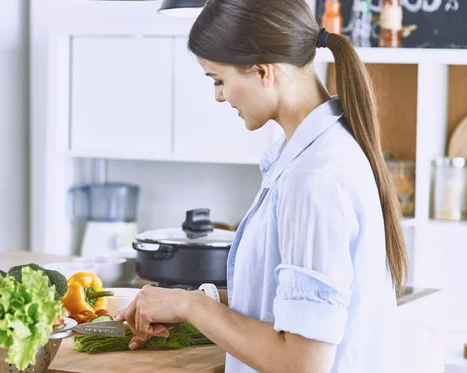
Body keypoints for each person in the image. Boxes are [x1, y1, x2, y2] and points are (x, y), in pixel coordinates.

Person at [115, 0, 408, 371]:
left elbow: (302, 362)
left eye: (219, 80)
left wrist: (193, 306)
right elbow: (280, 301)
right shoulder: (318, 153)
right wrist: (190, 302)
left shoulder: (313, 178)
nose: (219, 96)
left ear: (262, 71)